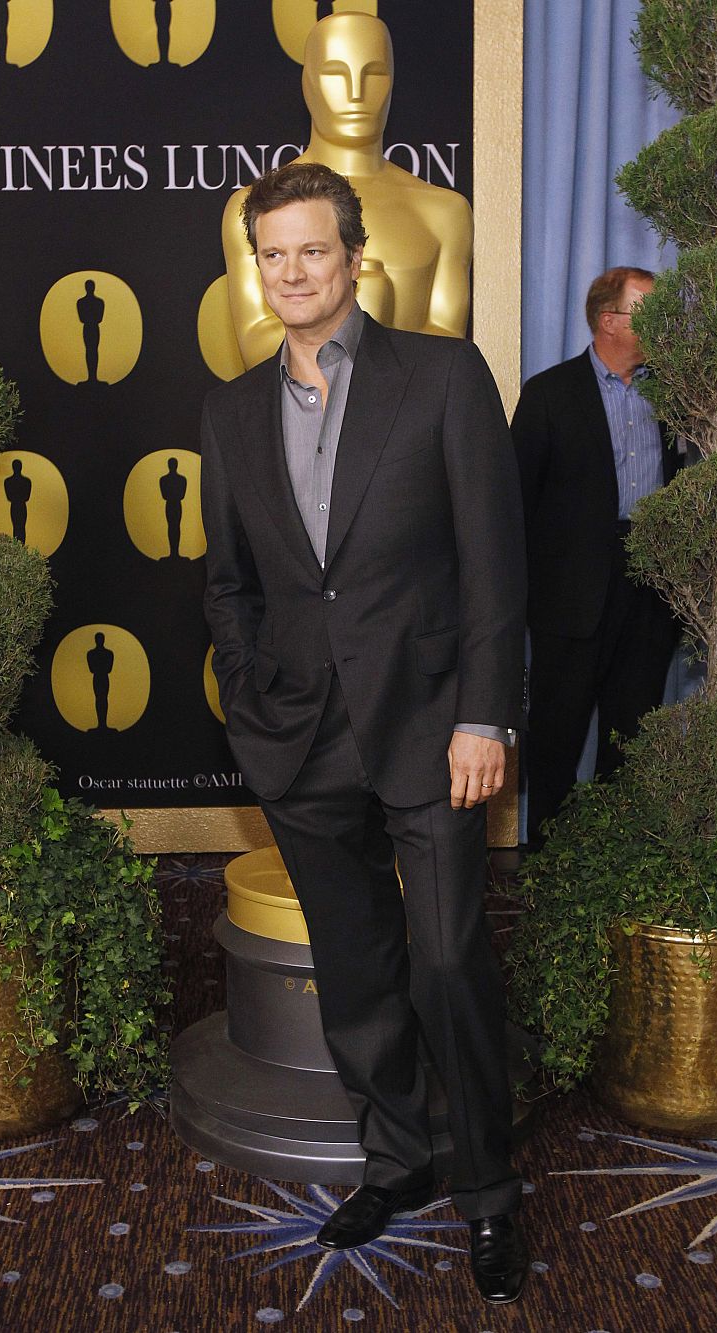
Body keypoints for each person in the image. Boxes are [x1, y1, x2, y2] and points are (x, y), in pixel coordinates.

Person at [201, 161, 528, 1304]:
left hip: (434, 727)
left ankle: (487, 1190)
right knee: (354, 969)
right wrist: (250, 699)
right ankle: (395, 1160)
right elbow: (230, 585)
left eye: (312, 249)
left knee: (444, 962)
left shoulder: (441, 376)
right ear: (257, 267)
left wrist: (483, 714)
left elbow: (493, 564)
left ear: (354, 258)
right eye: (273, 253)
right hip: (298, 739)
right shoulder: (230, 410)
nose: (292, 271)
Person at [511, 266, 681, 849]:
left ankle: (616, 866)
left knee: (631, 738)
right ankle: (547, 868)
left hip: (652, 588)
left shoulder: (674, 395)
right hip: (570, 597)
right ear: (609, 321)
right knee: (556, 739)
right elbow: (515, 502)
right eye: (649, 311)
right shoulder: (550, 394)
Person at [222, 12, 473, 369]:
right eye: (335, 74)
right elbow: (257, 351)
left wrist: (372, 330)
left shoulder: (445, 212)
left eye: (374, 74)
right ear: (307, 83)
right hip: (300, 402)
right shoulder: (254, 209)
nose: (357, 94)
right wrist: (354, 316)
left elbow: (448, 354)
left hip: (409, 404)